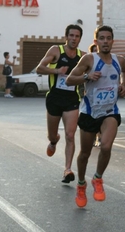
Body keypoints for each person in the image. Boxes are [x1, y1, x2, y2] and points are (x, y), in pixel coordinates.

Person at [66, 25, 125, 207]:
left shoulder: (119, 60)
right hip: (90, 113)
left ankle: (98, 179)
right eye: (101, 38)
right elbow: (70, 79)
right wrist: (87, 76)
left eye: (108, 38)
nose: (105, 41)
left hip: (110, 112)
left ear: (112, 41)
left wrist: (123, 84)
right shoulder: (89, 59)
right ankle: (81, 184)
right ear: (96, 42)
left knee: (106, 146)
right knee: (85, 153)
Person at [35, 24, 86, 184]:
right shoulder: (56, 51)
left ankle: (67, 169)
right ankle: (53, 141)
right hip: (54, 99)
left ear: (79, 39)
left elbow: (89, 76)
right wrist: (57, 71)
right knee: (53, 134)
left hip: (72, 100)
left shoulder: (83, 56)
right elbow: (39, 68)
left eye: (77, 36)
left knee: (70, 135)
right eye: (71, 35)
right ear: (66, 36)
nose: (74, 38)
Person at [88, 43, 101, 147]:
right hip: (91, 98)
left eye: (96, 50)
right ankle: (92, 138)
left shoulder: (105, 62)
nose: (95, 52)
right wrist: (87, 76)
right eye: (93, 50)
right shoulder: (87, 63)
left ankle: (99, 138)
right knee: (92, 120)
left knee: (101, 119)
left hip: (102, 98)